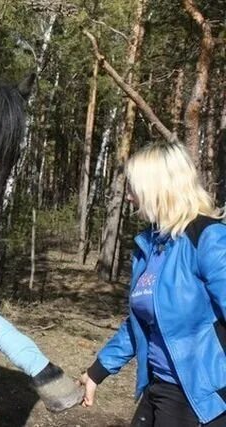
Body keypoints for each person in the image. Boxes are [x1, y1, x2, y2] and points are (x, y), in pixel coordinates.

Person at [79, 142, 226, 426]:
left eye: (134, 188)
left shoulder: (208, 239)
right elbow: (140, 323)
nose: (130, 198)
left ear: (157, 188)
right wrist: (96, 373)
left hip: (199, 397)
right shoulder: (151, 246)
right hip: (158, 388)